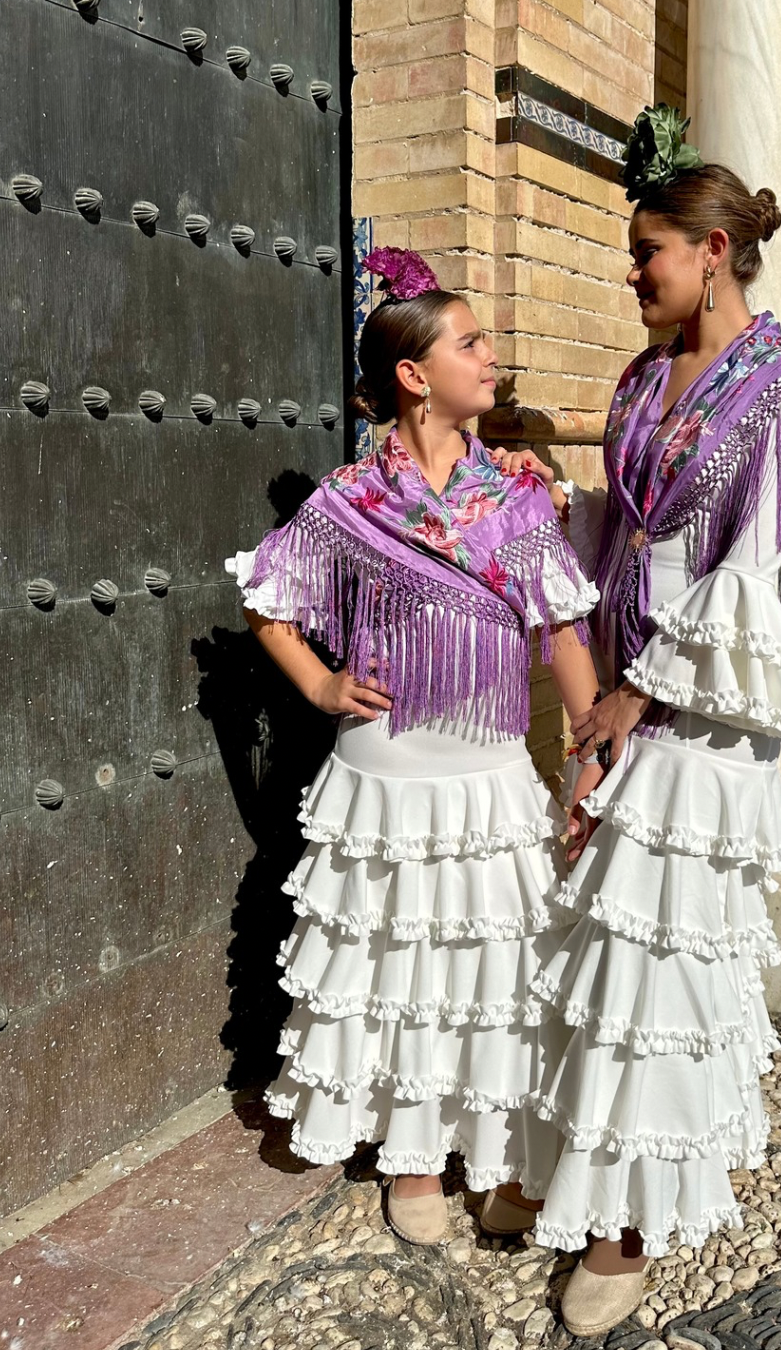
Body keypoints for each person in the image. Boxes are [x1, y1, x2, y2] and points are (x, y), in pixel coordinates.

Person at [495, 106, 781, 1336]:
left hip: (701, 718)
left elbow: (765, 572)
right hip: (628, 694)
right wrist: (565, 502)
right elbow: (635, 530)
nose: (631, 274)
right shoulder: (643, 377)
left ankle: (629, 1227)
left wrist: (651, 688)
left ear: (714, 252)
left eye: (648, 252)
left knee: (660, 965)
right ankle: (576, 1169)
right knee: (590, 948)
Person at [225, 247, 602, 1245]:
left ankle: (498, 1144)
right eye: (470, 342)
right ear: (414, 374)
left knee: (494, 969)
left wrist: (592, 749)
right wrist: (319, 683)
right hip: (385, 775)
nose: (492, 357)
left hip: (488, 776)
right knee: (398, 970)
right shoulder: (349, 501)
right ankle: (415, 1159)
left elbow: (560, 630)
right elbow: (269, 607)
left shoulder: (521, 496)